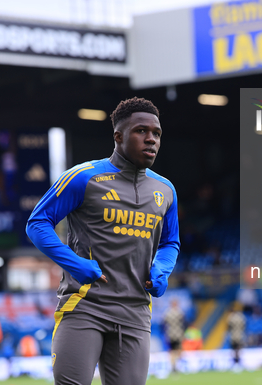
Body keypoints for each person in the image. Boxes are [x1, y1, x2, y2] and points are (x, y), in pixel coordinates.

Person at [27, 97, 180, 385]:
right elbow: (37, 223)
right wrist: (76, 265)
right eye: (141, 131)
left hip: (135, 311)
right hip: (85, 306)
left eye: (156, 133)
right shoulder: (84, 178)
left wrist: (162, 268)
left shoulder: (165, 190)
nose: (151, 140)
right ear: (118, 137)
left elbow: (170, 242)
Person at [163, 299, 185, 372]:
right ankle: (175, 365)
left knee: (172, 351)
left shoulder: (167, 313)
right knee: (178, 350)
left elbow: (164, 325)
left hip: (170, 334)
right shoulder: (180, 312)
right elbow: (184, 324)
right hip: (178, 334)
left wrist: (166, 334)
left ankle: (174, 365)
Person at [226, 303, 247, 370]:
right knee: (238, 350)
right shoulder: (241, 316)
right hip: (240, 335)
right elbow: (244, 326)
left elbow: (228, 327)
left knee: (234, 351)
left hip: (233, 336)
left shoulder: (230, 317)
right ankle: (239, 364)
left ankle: (235, 364)